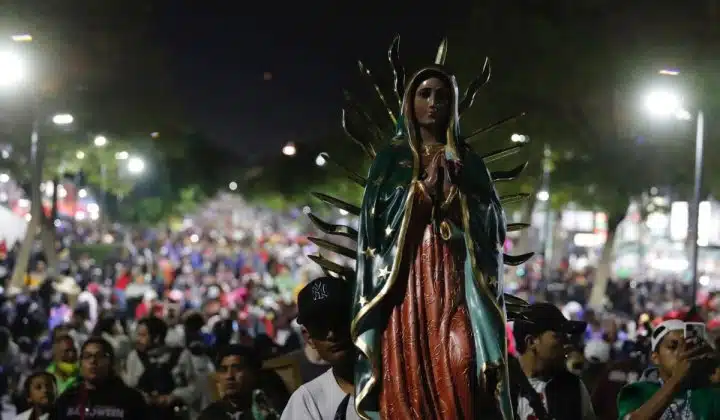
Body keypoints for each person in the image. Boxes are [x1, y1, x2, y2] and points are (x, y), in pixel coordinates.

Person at [334, 38, 526, 419]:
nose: (433, 102)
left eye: (441, 95)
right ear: (410, 102)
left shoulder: (467, 161)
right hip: (404, 285)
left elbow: (493, 222)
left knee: (462, 358)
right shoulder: (391, 160)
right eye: (424, 94)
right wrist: (420, 192)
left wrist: (457, 199)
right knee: (406, 374)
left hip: (456, 280)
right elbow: (373, 223)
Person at [281, 277, 359, 420]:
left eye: (339, 321)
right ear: (308, 338)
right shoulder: (306, 401)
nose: (331, 334)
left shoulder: (398, 381)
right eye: (320, 327)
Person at [617, 319, 720, 419]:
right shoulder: (637, 391)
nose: (681, 353)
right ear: (655, 358)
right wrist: (676, 379)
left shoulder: (707, 392)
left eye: (686, 346)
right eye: (672, 347)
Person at [510, 302, 596, 420]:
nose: (566, 343)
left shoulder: (573, 388)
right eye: (558, 336)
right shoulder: (501, 389)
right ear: (531, 342)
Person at [53, 337, 148, 419]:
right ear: (80, 362)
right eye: (87, 356)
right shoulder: (68, 399)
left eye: (99, 356)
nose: (93, 361)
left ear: (111, 362)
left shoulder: (131, 399)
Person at [124, 316, 198, 419]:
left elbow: (193, 387)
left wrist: (173, 397)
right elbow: (129, 386)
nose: (138, 339)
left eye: (142, 335)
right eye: (137, 335)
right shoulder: (134, 356)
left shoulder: (181, 355)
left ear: (157, 337)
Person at [199, 345, 279, 420]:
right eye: (224, 370)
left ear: (253, 373)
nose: (229, 376)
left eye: (237, 369)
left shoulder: (269, 410)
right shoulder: (211, 415)